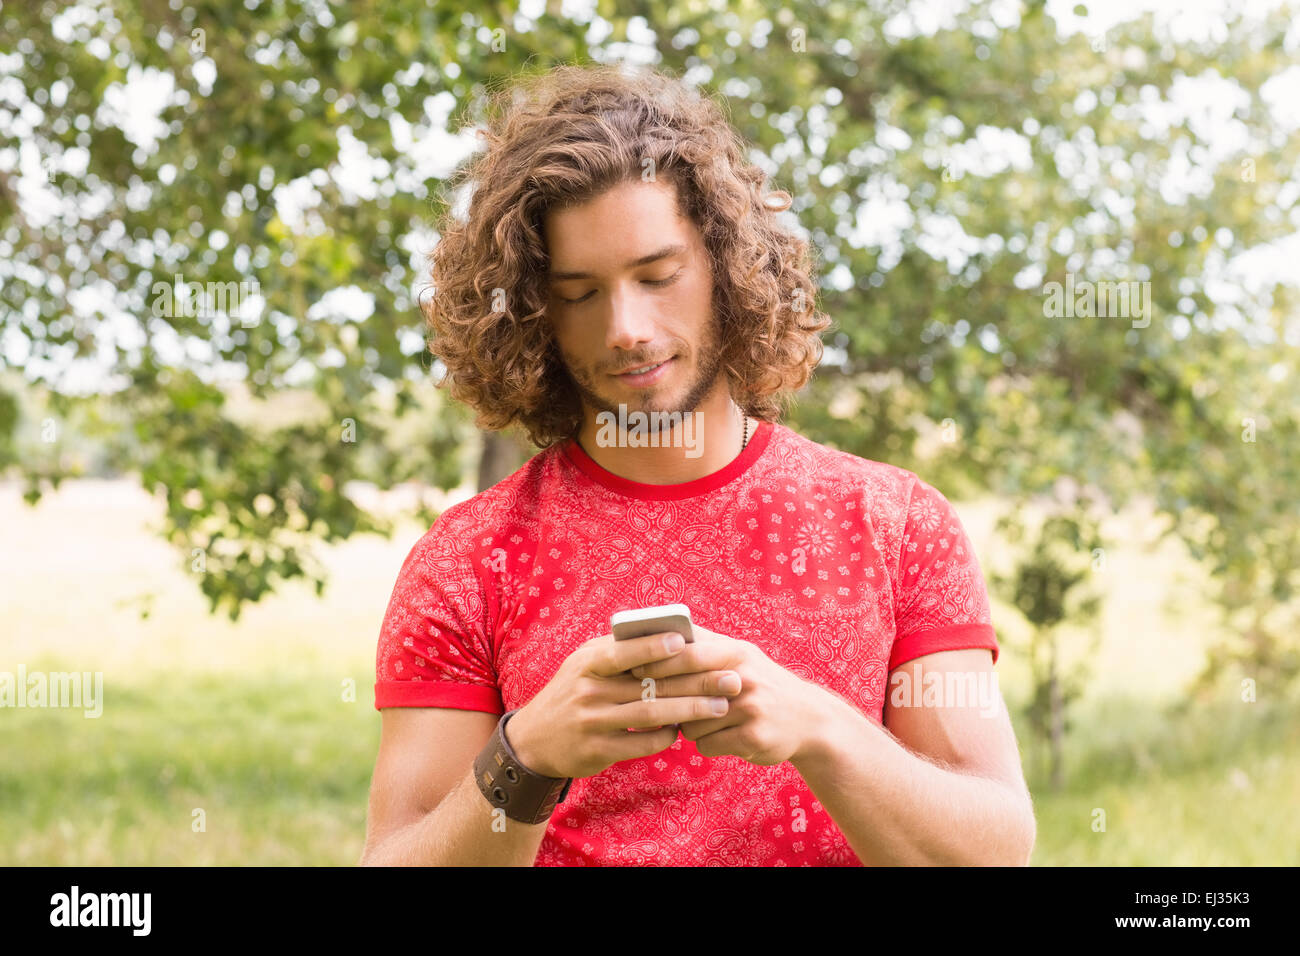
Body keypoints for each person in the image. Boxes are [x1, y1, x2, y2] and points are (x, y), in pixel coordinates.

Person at [360, 63, 1035, 866]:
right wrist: (528, 756)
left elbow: (994, 853)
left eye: (657, 276)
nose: (626, 328)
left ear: (727, 266)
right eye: (579, 292)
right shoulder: (468, 561)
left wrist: (821, 729)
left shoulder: (898, 527)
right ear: (536, 308)